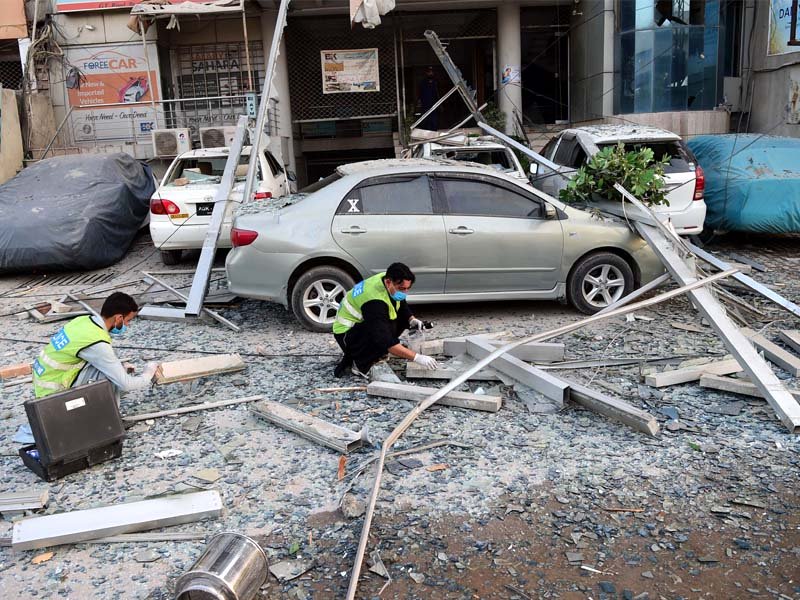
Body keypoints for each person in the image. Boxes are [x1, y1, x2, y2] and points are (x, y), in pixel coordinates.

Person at [32, 292, 158, 400]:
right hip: (53, 396)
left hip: (45, 384)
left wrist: (119, 367)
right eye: (127, 320)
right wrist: (148, 373)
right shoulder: (96, 342)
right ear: (118, 318)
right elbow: (126, 385)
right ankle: (108, 420)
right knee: (111, 379)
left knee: (115, 370)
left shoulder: (83, 320)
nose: (127, 325)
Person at [332, 263, 439, 378]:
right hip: (346, 334)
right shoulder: (374, 301)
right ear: (388, 282)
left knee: (399, 320)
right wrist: (417, 357)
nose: (405, 292)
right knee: (382, 334)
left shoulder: (388, 278)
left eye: (408, 288)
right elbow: (384, 339)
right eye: (402, 289)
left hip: (361, 325)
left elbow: (400, 304)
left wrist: (411, 319)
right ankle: (361, 364)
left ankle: (377, 352)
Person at [417, 66, 440, 131]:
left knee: (434, 123)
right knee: (425, 123)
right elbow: (420, 94)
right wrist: (419, 103)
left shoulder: (436, 82)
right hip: (425, 106)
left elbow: (437, 94)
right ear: (426, 73)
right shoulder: (423, 83)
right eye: (429, 72)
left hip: (434, 106)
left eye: (431, 72)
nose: (430, 73)